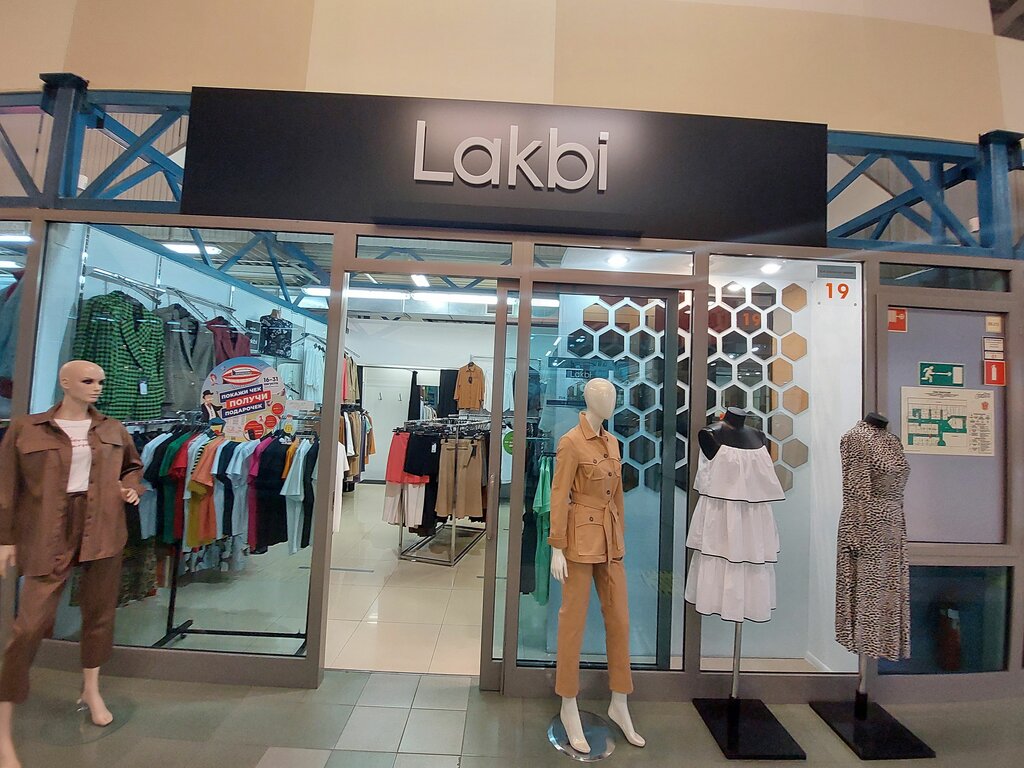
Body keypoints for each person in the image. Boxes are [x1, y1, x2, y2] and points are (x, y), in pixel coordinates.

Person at [0, 360, 143, 768]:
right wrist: (5, 538)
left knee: (99, 615)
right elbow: (6, 485)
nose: (97, 387)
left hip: (102, 526)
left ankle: (91, 689)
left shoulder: (112, 429)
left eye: (100, 381)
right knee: (28, 627)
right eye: (87, 380)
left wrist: (130, 488)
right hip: (48, 529)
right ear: (65, 382)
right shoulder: (26, 429)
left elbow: (133, 467)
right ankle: (3, 725)